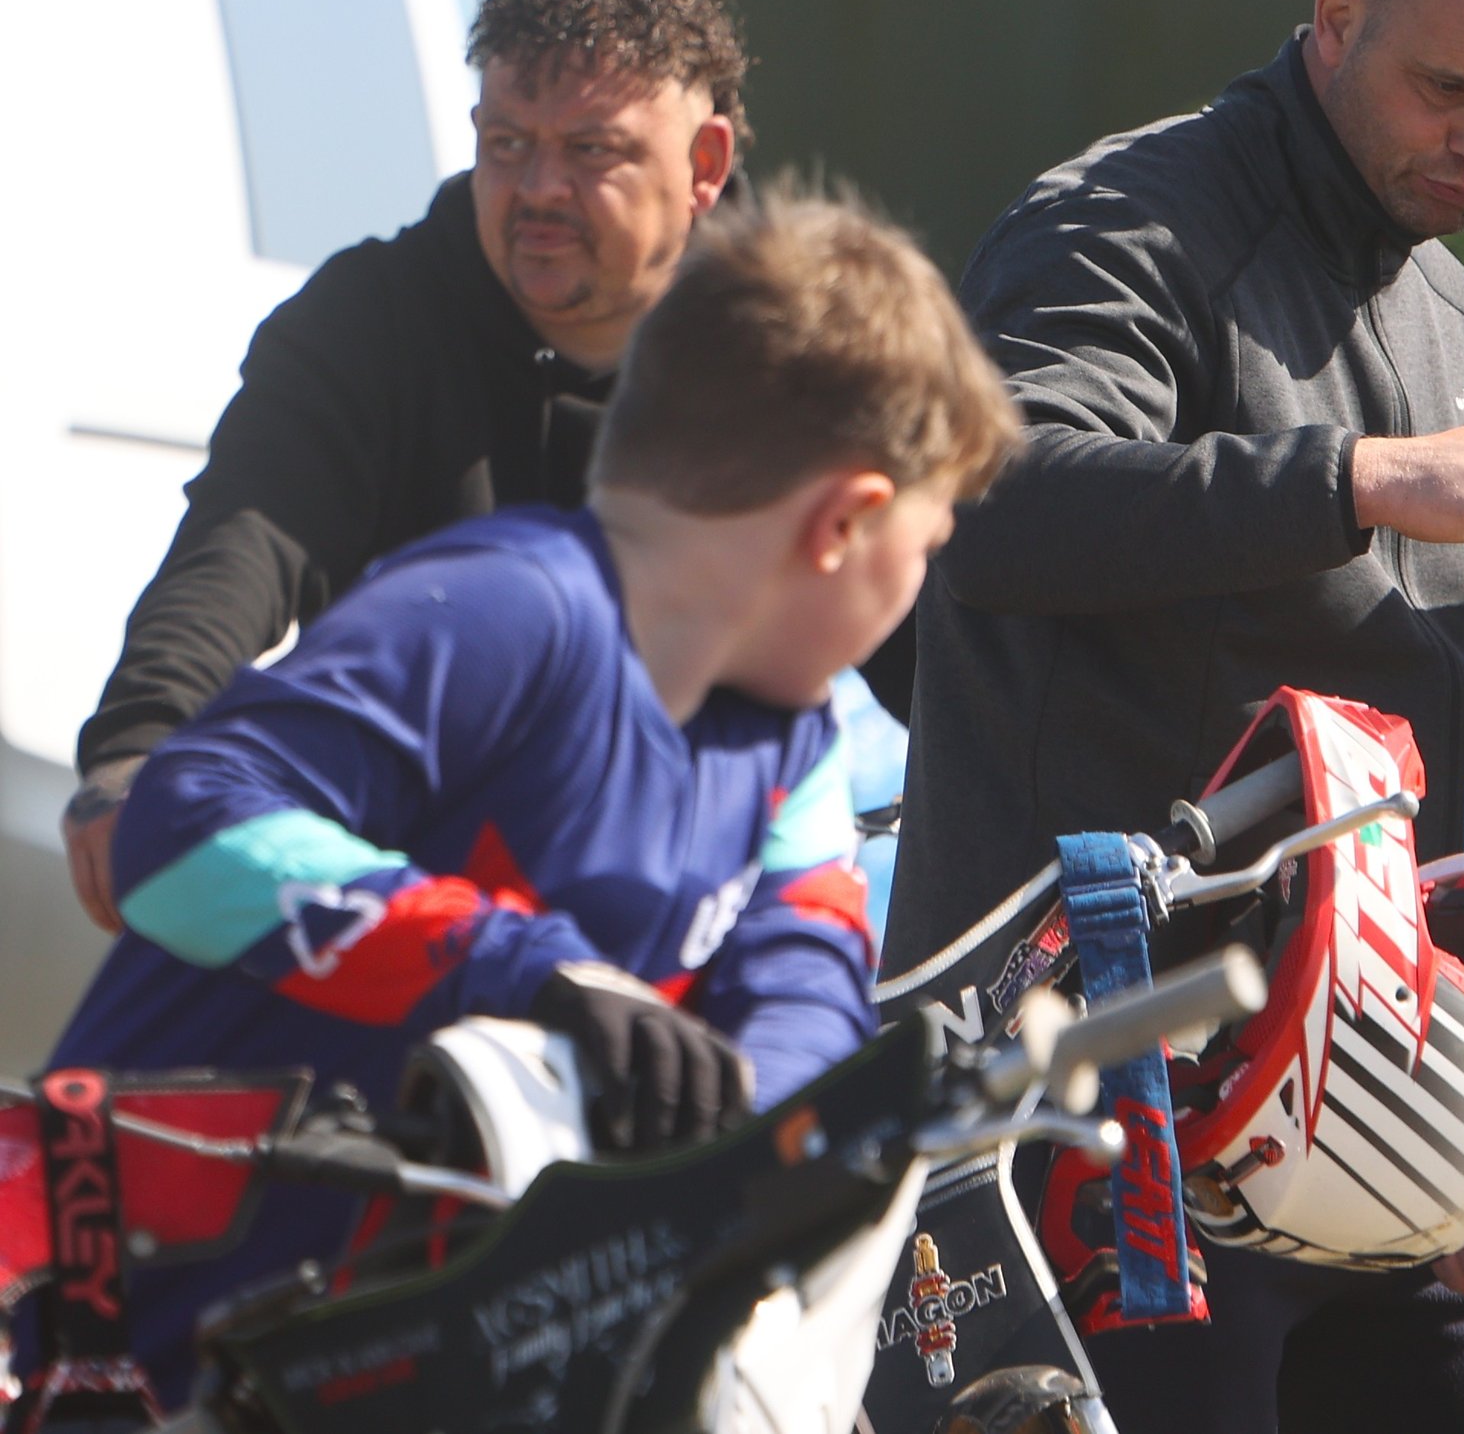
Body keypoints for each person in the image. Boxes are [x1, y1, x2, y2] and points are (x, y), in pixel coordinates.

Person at [18, 184, 1020, 1408]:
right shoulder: (514, 609)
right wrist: (531, 969)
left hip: (396, 1361)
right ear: (847, 520)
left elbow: (807, 975)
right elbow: (174, 834)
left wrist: (744, 1137)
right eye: (924, 545)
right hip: (110, 1341)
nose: (921, 584)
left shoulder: (795, 736)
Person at [882, 0, 1464, 1434]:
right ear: (1336, 17)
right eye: (1447, 89)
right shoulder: (1121, 221)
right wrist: (1359, 480)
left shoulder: (1456, 315)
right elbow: (991, 510)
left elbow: (1441, 701)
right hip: (1099, 1105)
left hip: (1380, 1093)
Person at [61, 0, 749, 933]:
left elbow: (918, 640)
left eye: (592, 149)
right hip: (408, 904)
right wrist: (142, 751)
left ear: (704, 166)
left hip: (703, 904)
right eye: (506, 143)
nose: (540, 187)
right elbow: (246, 540)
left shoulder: (789, 364)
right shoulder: (371, 320)